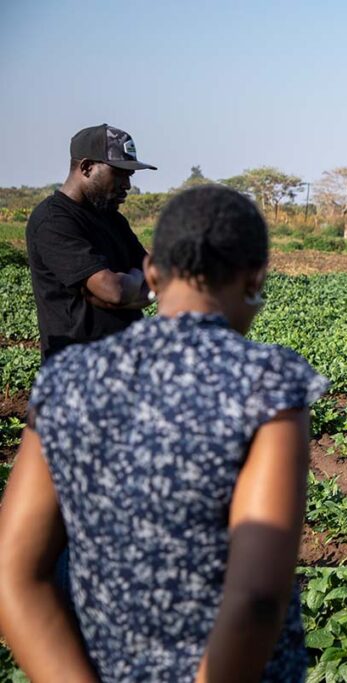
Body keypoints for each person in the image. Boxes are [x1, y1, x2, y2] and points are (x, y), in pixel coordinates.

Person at [0, 186, 327, 682]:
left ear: (152, 274)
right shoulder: (267, 381)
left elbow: (13, 577)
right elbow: (257, 598)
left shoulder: (65, 379)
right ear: (256, 276)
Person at [26, 123, 157, 360]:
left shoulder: (112, 218)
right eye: (119, 173)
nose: (127, 185)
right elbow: (113, 291)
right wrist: (135, 281)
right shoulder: (53, 221)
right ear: (86, 167)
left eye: (130, 175)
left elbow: (156, 274)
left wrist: (132, 289)